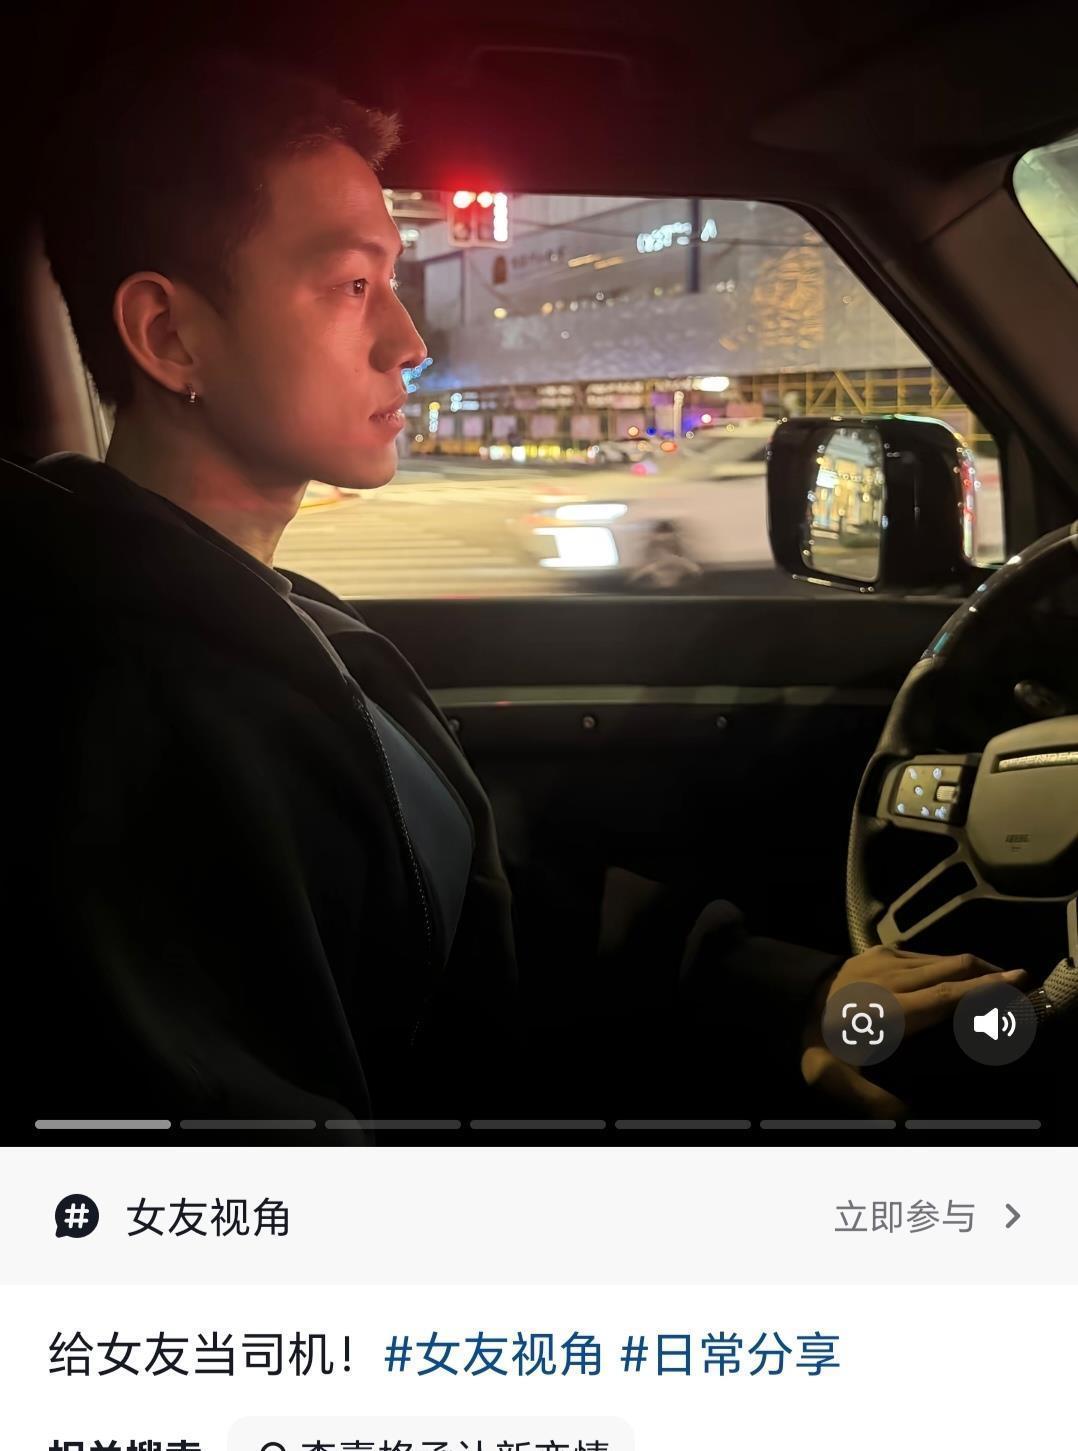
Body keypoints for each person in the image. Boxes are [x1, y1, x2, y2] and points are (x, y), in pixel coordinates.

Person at [15, 47, 1024, 1128]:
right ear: (169, 335)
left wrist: (787, 997)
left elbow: (463, 907)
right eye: (352, 286)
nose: (407, 341)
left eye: (392, 281)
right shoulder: (111, 718)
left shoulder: (269, 616)